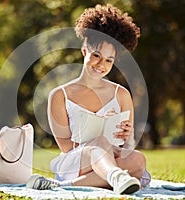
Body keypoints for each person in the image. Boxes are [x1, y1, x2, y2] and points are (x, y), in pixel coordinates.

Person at [27, 3, 151, 194]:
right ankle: (117, 177)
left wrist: (126, 137)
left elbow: (127, 146)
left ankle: (61, 187)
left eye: (109, 60)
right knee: (100, 144)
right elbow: (67, 147)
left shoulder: (122, 95)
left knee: (137, 160)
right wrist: (98, 138)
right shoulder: (60, 96)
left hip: (111, 158)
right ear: (85, 50)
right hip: (76, 163)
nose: (101, 65)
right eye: (96, 55)